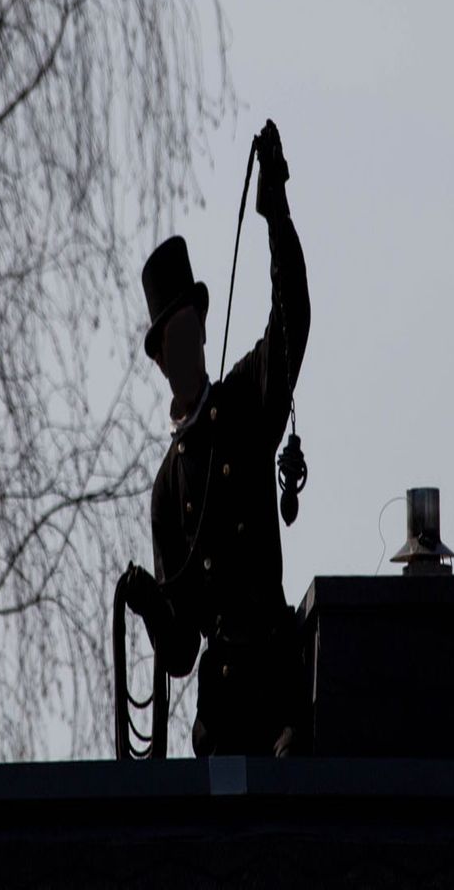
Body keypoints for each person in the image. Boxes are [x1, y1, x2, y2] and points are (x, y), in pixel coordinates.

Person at [129, 119, 310, 757]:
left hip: (278, 694)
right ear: (157, 360)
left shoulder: (245, 403)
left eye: (185, 329)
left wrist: (275, 213)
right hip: (220, 716)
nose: (177, 347)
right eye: (165, 340)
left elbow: (293, 321)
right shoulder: (165, 489)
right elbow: (180, 652)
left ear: (203, 328)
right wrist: (151, 604)